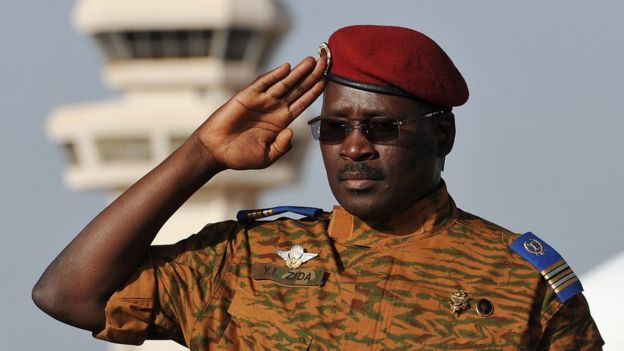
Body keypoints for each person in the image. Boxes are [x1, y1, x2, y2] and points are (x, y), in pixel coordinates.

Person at [33, 25, 604, 350]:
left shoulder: (519, 282)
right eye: (333, 128)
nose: (354, 147)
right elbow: (68, 296)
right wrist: (201, 155)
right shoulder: (241, 259)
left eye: (381, 128)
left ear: (442, 134)